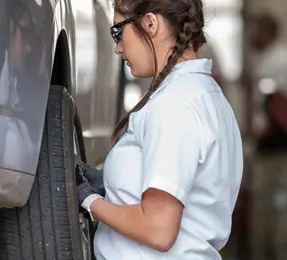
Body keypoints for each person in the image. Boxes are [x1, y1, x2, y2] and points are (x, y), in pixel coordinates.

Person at [76, 0, 244, 259]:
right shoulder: (205, 96)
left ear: (151, 23)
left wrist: (90, 202)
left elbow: (158, 229)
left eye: (119, 32)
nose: (118, 48)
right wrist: (108, 191)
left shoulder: (176, 104)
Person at [247, 13, 287, 260]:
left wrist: (263, 130)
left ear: (268, 32)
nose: (254, 36)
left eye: (257, 30)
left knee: (271, 205)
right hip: (268, 145)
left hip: (276, 146)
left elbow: (275, 104)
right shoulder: (267, 59)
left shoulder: (279, 61)